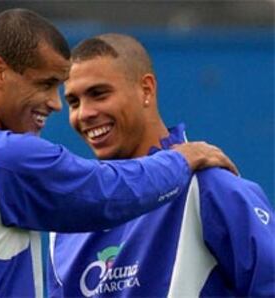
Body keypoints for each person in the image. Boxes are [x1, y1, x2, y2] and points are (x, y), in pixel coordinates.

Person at [0, 10, 237, 297]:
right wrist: (181, 158)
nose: (55, 104)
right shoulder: (2, 158)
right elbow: (108, 192)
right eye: (46, 84)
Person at [48, 34, 275, 297]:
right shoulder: (67, 219)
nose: (84, 113)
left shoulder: (207, 187)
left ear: (146, 89)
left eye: (99, 94)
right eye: (73, 102)